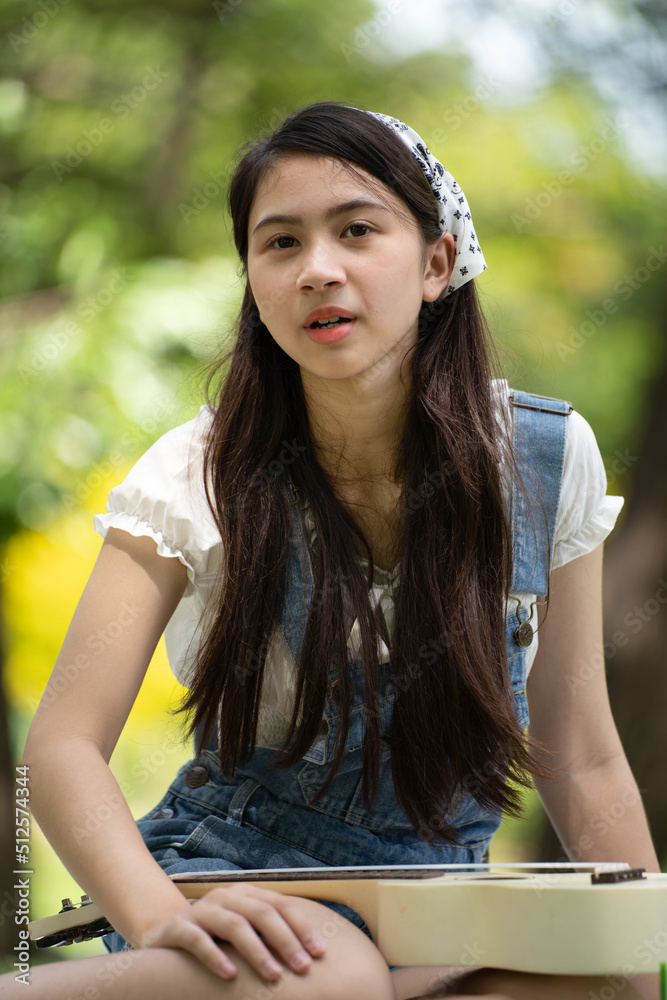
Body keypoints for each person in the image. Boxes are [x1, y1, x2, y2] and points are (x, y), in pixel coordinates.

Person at [6, 101, 661, 1000]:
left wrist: (631, 965)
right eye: (279, 244)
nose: (318, 270)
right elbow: (63, 743)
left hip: (437, 903)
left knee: (585, 994)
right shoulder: (199, 469)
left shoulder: (541, 463)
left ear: (436, 263)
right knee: (330, 975)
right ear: (254, 283)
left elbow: (581, 756)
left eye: (356, 230)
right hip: (232, 871)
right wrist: (158, 914)